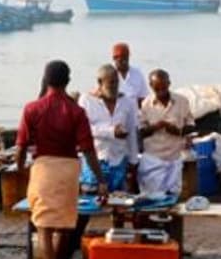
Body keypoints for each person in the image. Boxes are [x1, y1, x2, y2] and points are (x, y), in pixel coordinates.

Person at [15, 60, 106, 259]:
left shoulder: (32, 108)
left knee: (43, 227)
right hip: (68, 169)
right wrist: (100, 180)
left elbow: (21, 145)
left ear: (45, 79)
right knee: (62, 227)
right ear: (68, 81)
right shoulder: (76, 112)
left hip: (44, 167)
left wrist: (22, 169)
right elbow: (88, 149)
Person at [78, 64, 140, 192]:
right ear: (100, 82)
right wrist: (111, 132)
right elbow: (85, 130)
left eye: (116, 82)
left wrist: (133, 162)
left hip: (119, 162)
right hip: (95, 161)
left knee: (119, 204)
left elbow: (132, 132)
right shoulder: (87, 100)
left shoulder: (127, 102)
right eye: (110, 83)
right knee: (91, 202)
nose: (114, 86)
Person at [138, 68, 195, 196]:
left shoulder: (182, 101)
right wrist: (156, 126)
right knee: (152, 199)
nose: (161, 92)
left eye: (163, 88)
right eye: (157, 89)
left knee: (173, 198)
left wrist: (178, 131)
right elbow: (141, 132)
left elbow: (191, 125)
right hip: (153, 159)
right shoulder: (146, 104)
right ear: (151, 86)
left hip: (174, 158)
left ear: (169, 84)